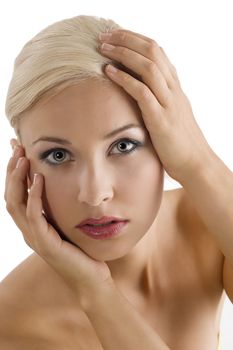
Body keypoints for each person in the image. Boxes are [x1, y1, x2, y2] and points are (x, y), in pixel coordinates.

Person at [0, 14, 231, 349]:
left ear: (165, 139)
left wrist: (197, 160)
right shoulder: (11, 322)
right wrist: (95, 291)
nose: (95, 194)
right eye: (58, 155)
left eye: (123, 146)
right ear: (22, 165)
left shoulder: (208, 222)